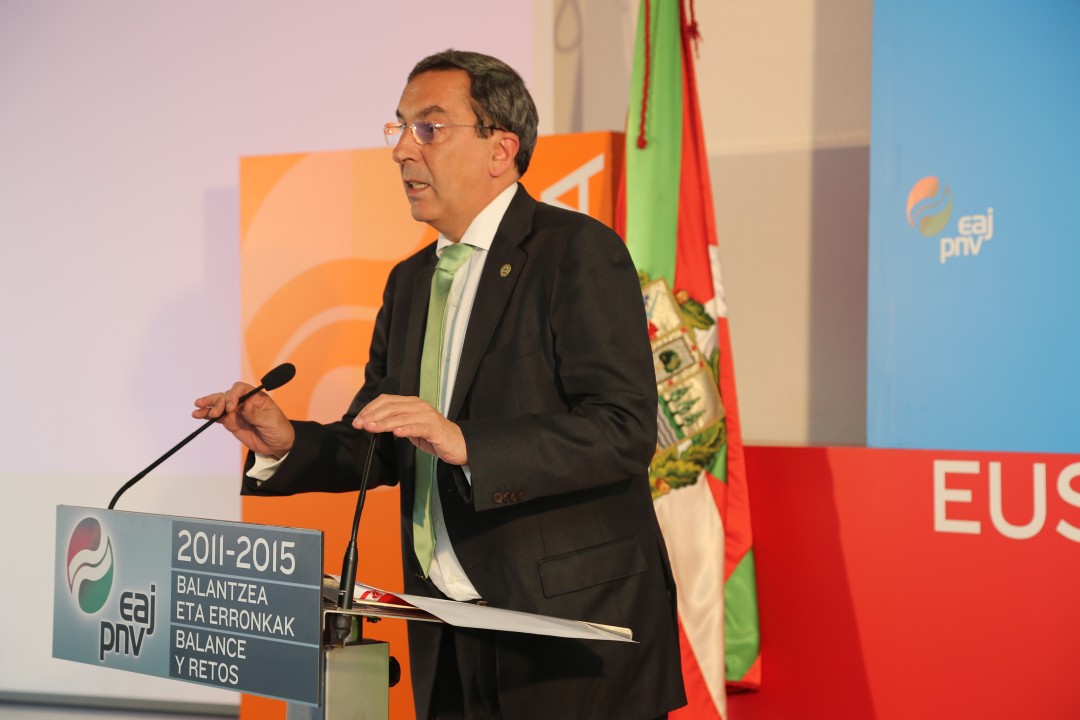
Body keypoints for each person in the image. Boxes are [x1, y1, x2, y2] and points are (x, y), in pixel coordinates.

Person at [195, 49, 685, 720]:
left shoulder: (575, 251)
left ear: (500, 149)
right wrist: (288, 443)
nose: (403, 150)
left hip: (568, 631)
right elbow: (381, 441)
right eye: (398, 128)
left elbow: (623, 430)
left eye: (429, 127)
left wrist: (466, 442)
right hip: (444, 626)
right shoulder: (410, 281)